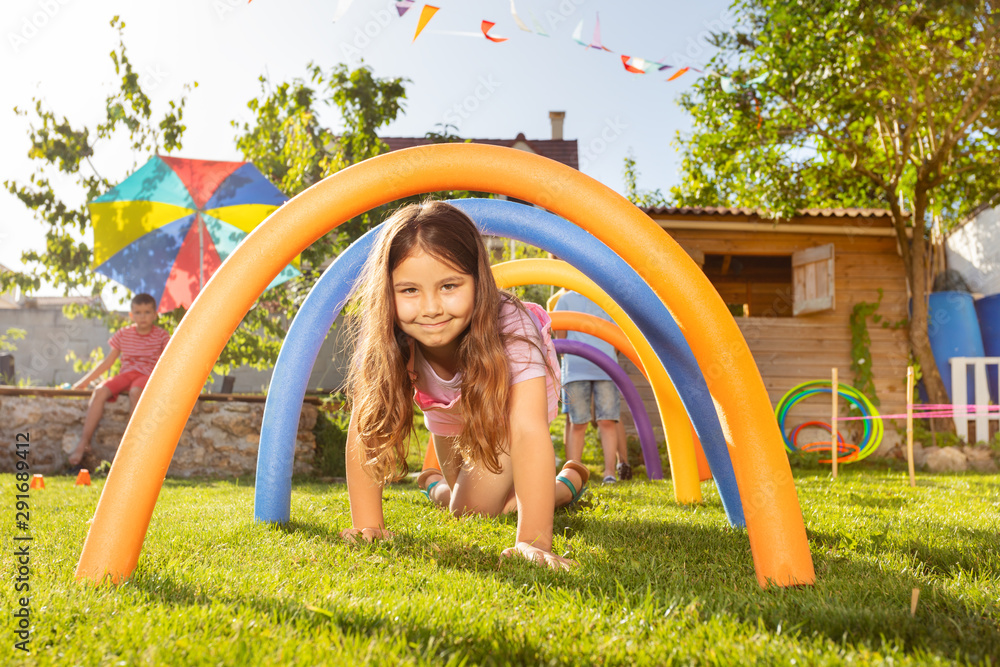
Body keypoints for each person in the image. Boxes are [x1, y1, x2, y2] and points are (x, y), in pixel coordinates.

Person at [340, 201, 590, 571]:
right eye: (409, 290)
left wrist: (532, 541)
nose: (430, 308)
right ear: (387, 291)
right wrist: (367, 525)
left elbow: (526, 430)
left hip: (506, 410)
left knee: (470, 509)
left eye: (449, 286)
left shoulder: (510, 327)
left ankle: (569, 480)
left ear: (478, 280)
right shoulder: (390, 334)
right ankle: (439, 483)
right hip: (449, 413)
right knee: (468, 502)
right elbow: (368, 426)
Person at [67, 293, 170, 468]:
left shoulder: (162, 336)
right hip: (126, 374)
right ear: (131, 315)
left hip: (147, 376)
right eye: (137, 312)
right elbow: (107, 362)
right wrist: (84, 382)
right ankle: (84, 443)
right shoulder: (123, 334)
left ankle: (133, 447)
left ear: (154, 315)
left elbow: (168, 363)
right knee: (99, 391)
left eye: (146, 312)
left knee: (136, 392)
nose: (142, 316)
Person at [551, 290, 631, 484]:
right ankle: (572, 475)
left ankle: (609, 473)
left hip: (605, 368)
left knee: (607, 420)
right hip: (577, 369)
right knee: (578, 423)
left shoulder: (607, 299)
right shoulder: (566, 300)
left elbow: (618, 336)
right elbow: (560, 337)